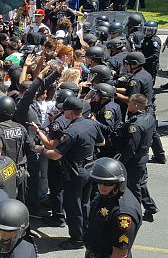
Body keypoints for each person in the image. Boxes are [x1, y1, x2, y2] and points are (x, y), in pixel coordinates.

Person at [34, 97, 105, 249]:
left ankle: (76, 239)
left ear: (71, 113)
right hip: (90, 168)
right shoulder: (92, 124)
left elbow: (56, 155)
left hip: (74, 173)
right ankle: (85, 232)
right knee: (85, 203)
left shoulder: (71, 132)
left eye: (65, 110)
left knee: (73, 206)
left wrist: (42, 150)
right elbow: (101, 142)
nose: (62, 112)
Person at [84, 157, 142, 258]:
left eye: (108, 183)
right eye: (99, 182)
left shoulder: (123, 214)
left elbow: (120, 254)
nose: (102, 186)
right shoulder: (107, 195)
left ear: (119, 183)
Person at [116, 94, 159, 222]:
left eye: (129, 102)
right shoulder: (149, 117)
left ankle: (136, 213)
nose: (127, 104)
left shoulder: (135, 125)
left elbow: (131, 148)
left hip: (135, 161)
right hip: (143, 157)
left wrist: (121, 163)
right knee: (140, 183)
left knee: (134, 187)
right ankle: (150, 207)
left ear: (135, 105)